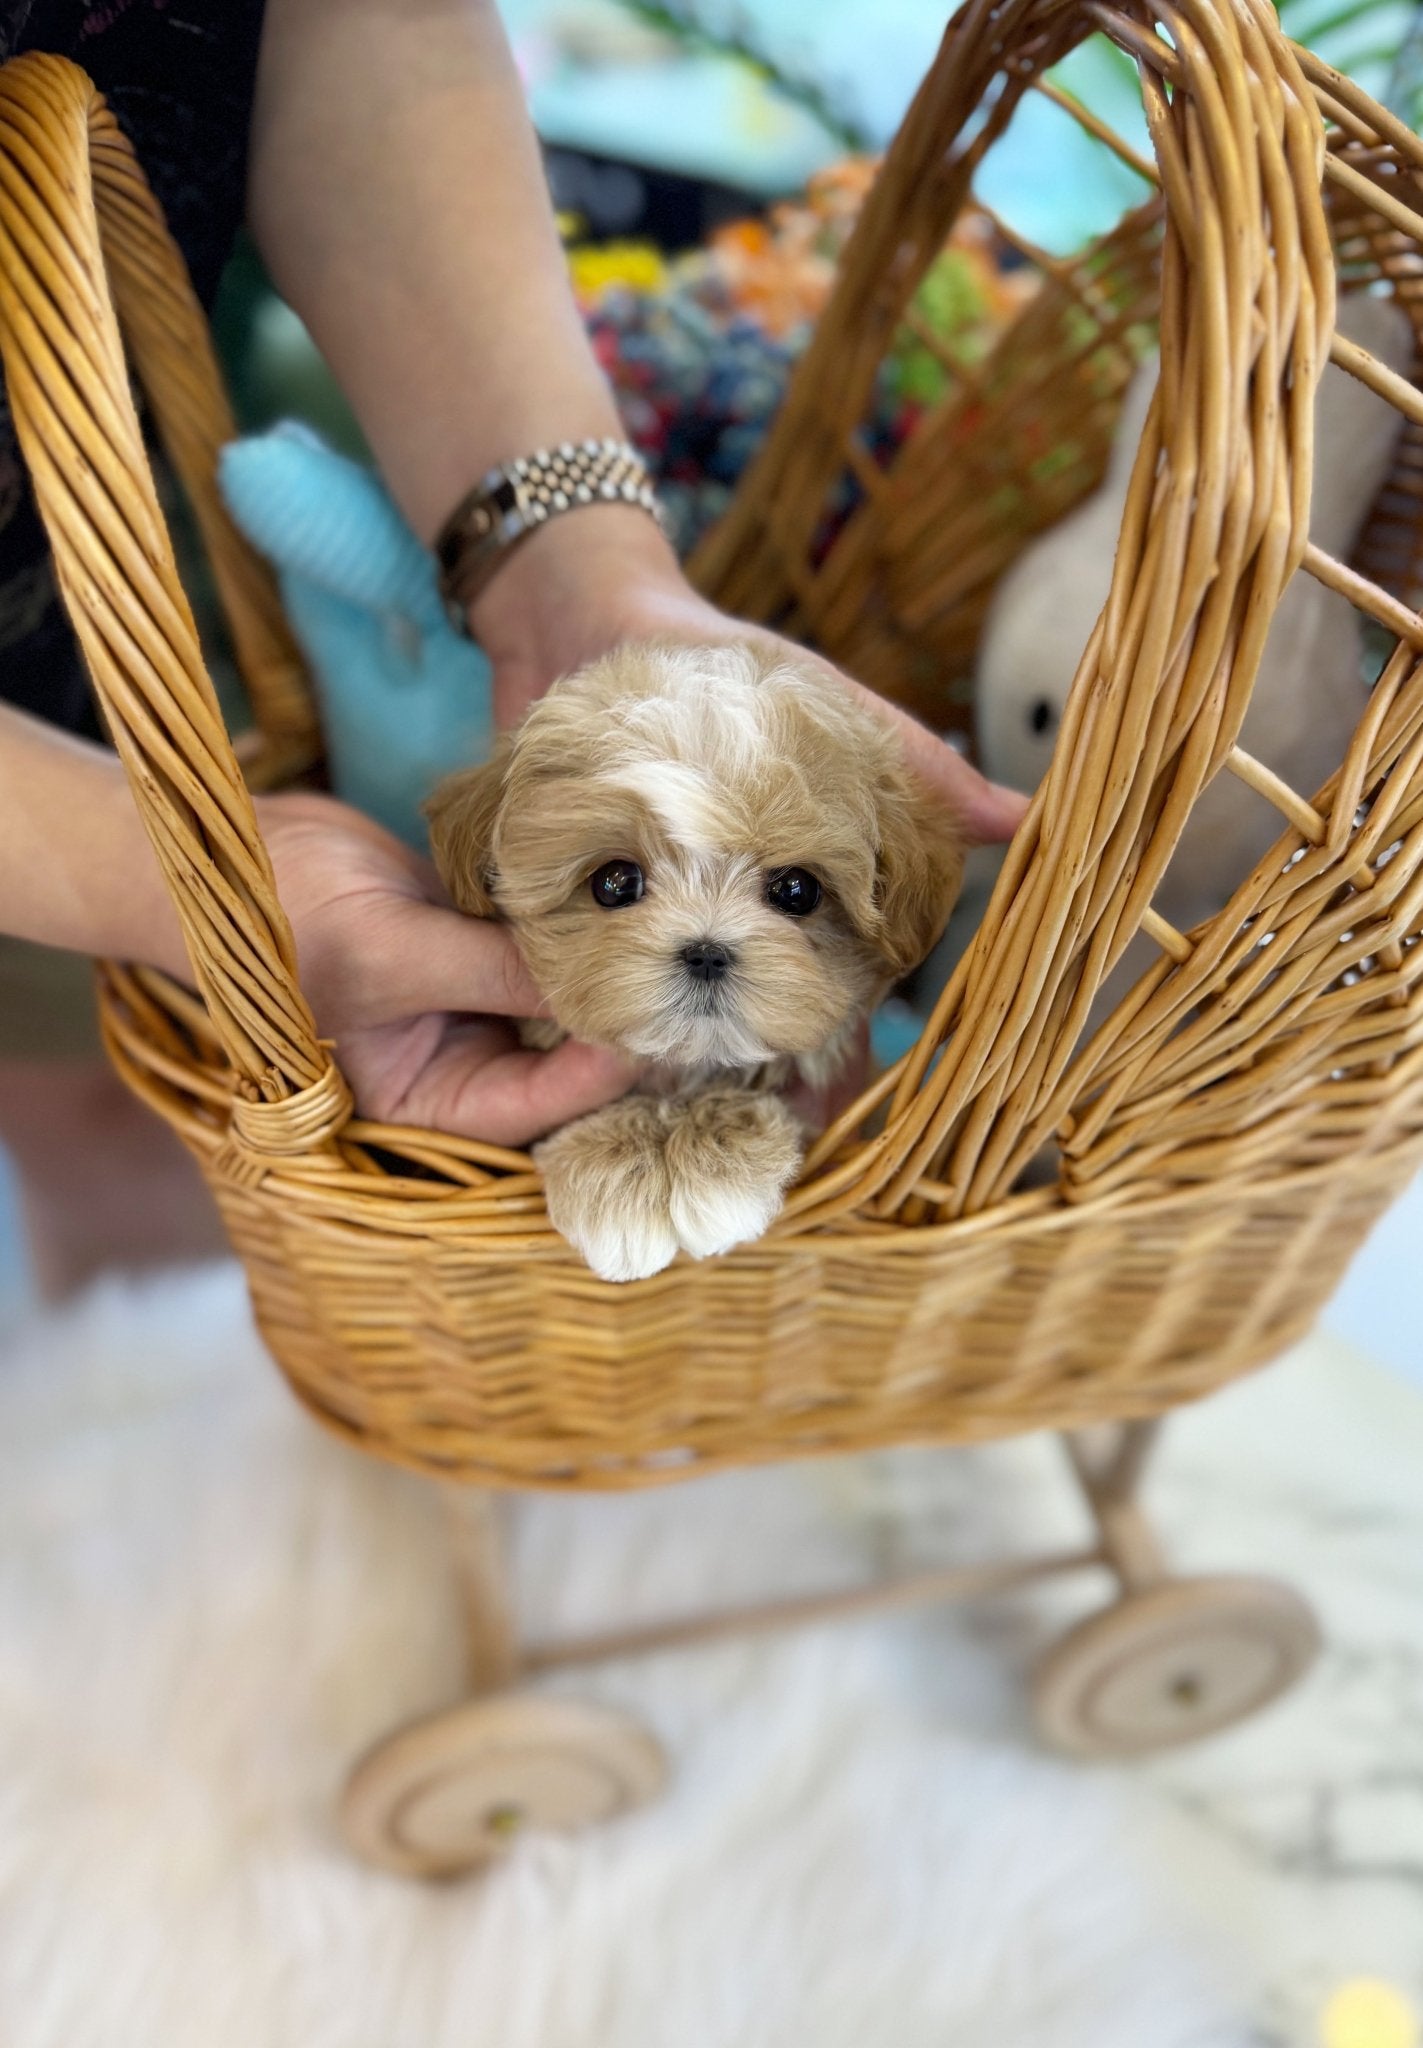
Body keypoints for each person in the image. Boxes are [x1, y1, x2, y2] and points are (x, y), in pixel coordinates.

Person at [0, 0, 1026, 1296]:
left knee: (121, 1121)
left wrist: (573, 561)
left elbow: (350, 25)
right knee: (92, 1131)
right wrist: (160, 887)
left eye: (794, 893)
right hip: (83, 539)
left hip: (102, 517)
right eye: (614, 886)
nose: (708, 942)